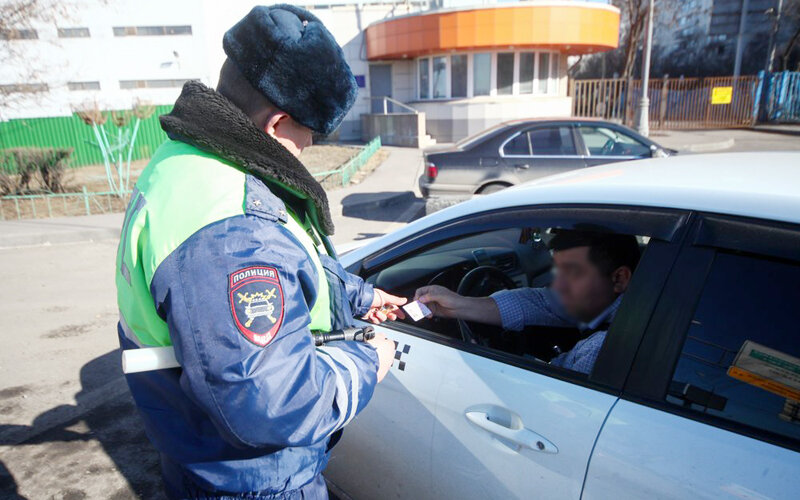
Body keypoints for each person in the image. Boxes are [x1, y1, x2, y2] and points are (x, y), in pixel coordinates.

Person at [114, 5, 406, 499]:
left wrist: (358, 296)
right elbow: (269, 402)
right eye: (310, 132)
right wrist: (366, 360)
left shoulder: (189, 161)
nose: (311, 144)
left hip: (201, 449)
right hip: (251, 480)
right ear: (277, 124)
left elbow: (292, 256)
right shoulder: (234, 233)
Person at [414, 230, 640, 374]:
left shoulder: (600, 350)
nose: (557, 284)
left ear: (619, 278)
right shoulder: (617, 302)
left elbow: (554, 393)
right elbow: (541, 302)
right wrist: (458, 304)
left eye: (572, 273)